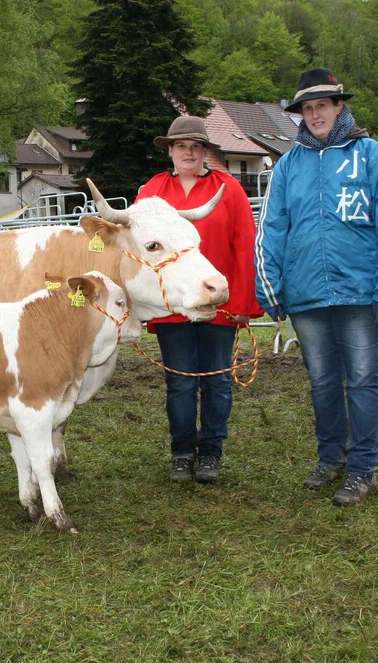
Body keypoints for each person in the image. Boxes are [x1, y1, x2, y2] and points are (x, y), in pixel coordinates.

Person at [254, 68, 378, 506]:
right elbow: (271, 227)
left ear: (340, 105)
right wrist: (269, 286)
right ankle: (331, 458)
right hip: (306, 296)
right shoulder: (288, 167)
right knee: (322, 381)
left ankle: (363, 469)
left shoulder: (373, 156)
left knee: (362, 380)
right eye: (307, 108)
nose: (315, 114)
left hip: (360, 293)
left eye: (322, 105)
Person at [137, 115, 263, 484]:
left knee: (217, 381)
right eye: (181, 146)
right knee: (180, 381)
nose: (188, 153)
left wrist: (243, 301)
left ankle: (210, 454)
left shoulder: (229, 188)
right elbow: (141, 250)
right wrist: (145, 302)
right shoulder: (152, 191)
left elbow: (245, 244)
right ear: (170, 151)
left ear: (205, 151)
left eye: (196, 146)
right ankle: (181, 453)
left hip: (219, 301)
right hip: (172, 303)